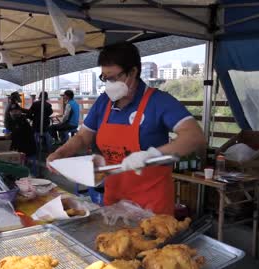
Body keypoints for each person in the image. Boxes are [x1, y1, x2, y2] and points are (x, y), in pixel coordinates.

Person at [47, 42, 206, 215]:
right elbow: (83, 136)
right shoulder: (103, 102)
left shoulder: (159, 101)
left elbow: (194, 137)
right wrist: (61, 153)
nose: (109, 83)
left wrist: (152, 155)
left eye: (114, 78)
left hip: (152, 206)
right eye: (105, 78)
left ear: (133, 72)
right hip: (114, 202)